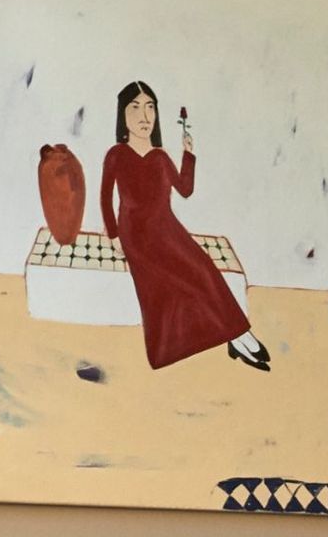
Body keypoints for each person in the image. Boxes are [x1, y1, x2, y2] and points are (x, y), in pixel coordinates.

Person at [98, 83, 270, 372]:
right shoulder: (116, 154)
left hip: (167, 228)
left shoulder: (161, 157)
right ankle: (238, 336)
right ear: (123, 115)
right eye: (135, 107)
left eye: (150, 107)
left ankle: (238, 335)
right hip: (137, 235)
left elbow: (185, 190)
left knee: (204, 269)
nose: (144, 115)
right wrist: (115, 235)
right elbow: (105, 197)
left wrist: (188, 155)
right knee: (180, 278)